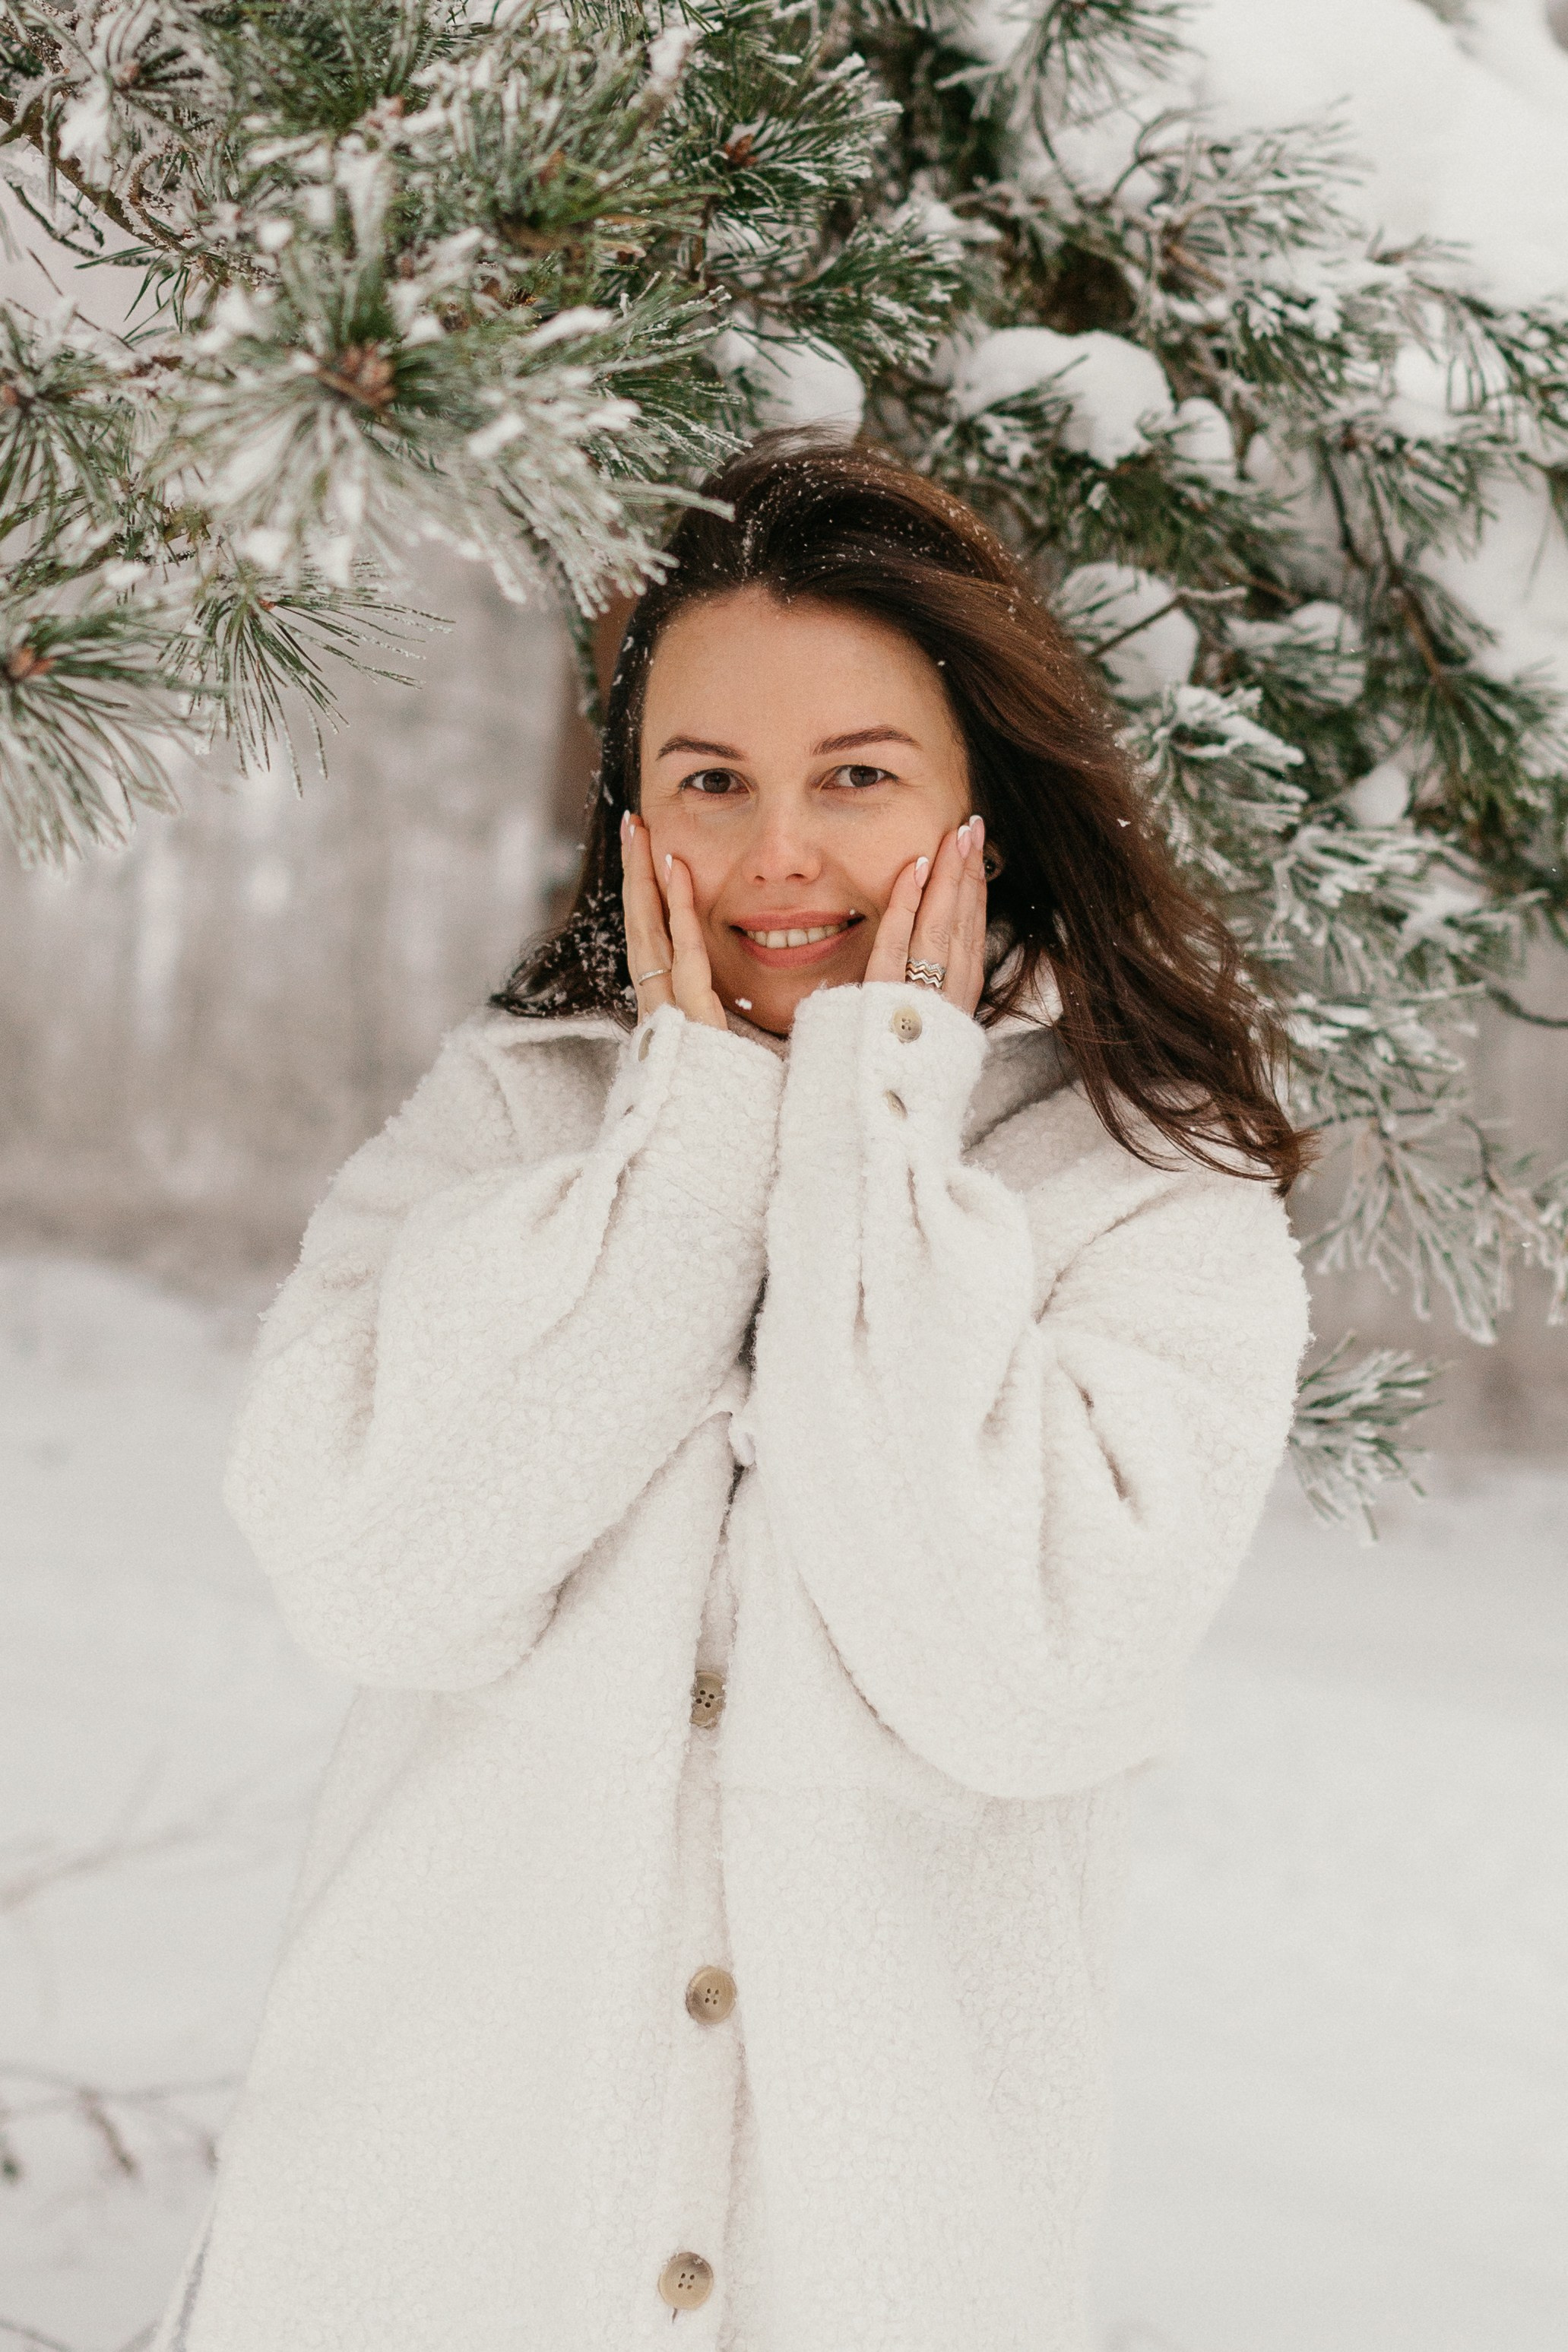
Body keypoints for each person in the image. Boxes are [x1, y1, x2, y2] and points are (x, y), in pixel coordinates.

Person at [149, 429, 1313, 2352]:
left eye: (857, 776)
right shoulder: (504, 1123)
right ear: (630, 815)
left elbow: (1022, 1674)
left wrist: (876, 1125)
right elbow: (375, 1574)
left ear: (987, 797)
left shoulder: (1148, 1189)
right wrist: (692, 1152)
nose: (779, 853)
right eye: (711, 780)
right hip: (406, 2263)